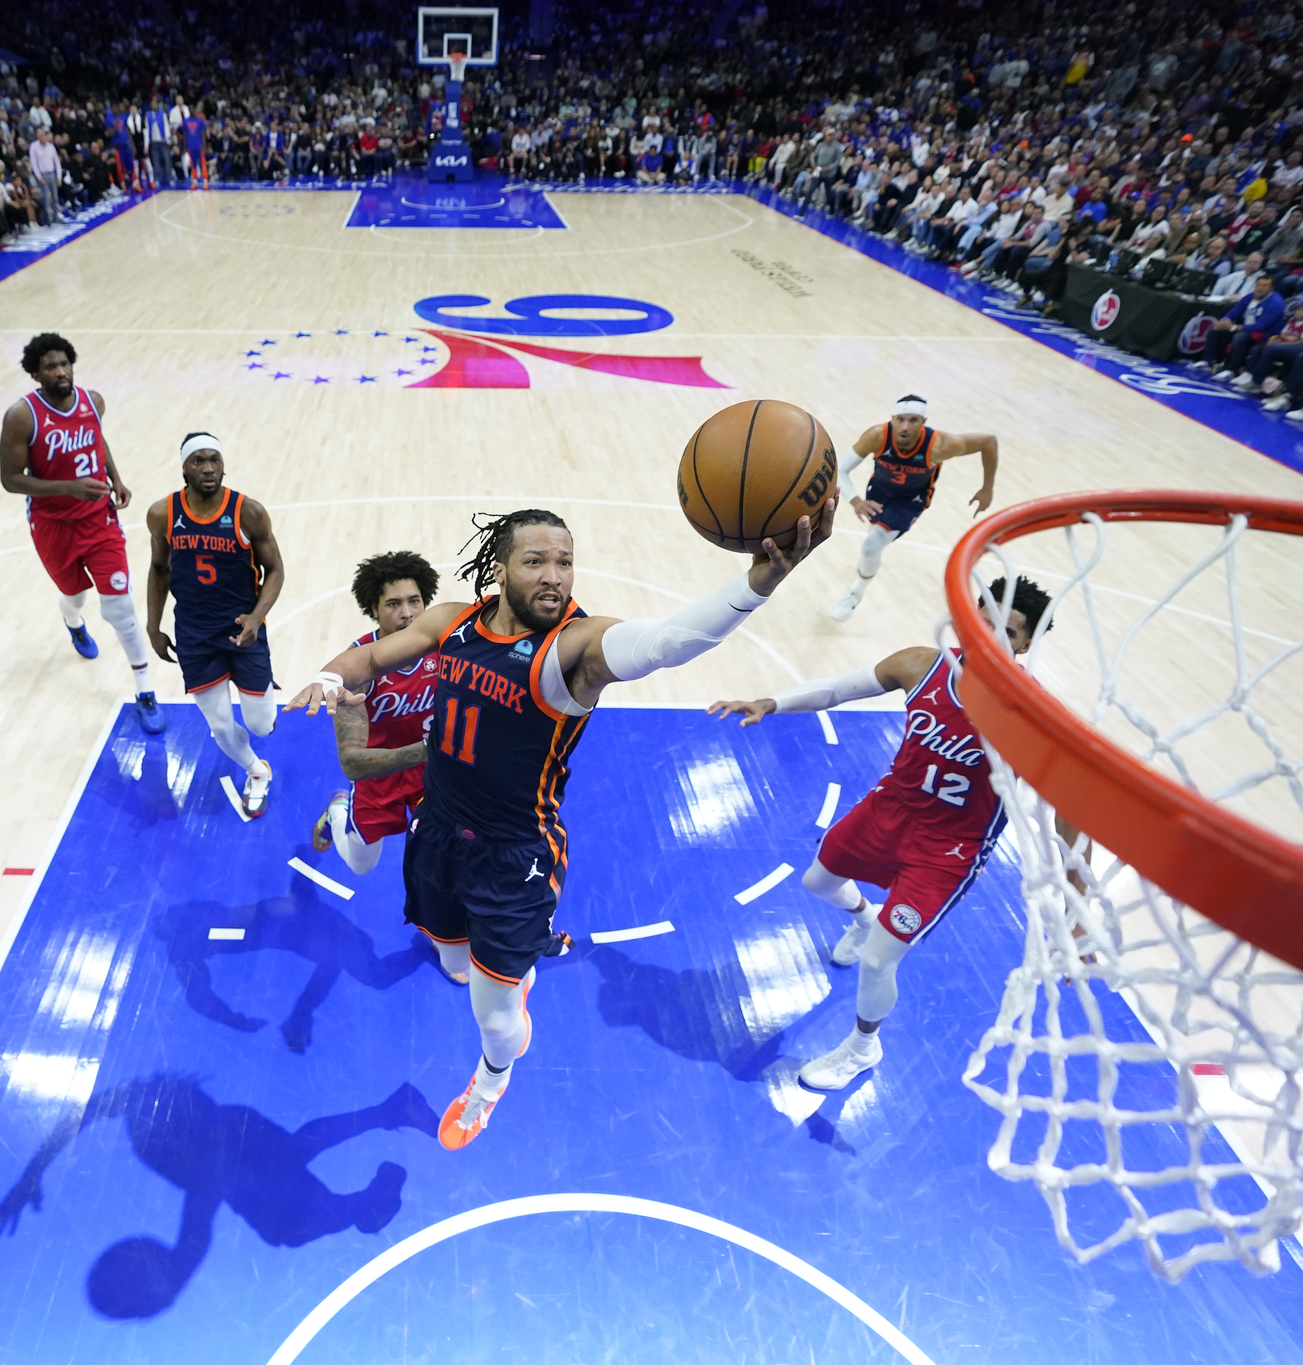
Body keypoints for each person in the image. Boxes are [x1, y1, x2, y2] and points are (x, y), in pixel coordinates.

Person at [286, 500, 836, 1150]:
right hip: (434, 831)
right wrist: (327, 675)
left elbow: (668, 641)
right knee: (453, 958)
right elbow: (370, 659)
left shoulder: (573, 648)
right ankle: (503, 971)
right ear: (499, 568)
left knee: (494, 1018)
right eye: (536, 561)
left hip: (512, 857)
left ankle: (490, 1080)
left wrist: (759, 582)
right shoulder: (452, 621)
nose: (554, 575)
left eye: (566, 562)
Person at [708, 575, 1056, 1089]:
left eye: (1006, 630)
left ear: (1025, 644)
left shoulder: (1032, 712)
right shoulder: (923, 664)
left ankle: (862, 1048)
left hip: (949, 850)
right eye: (983, 616)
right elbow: (836, 690)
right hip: (890, 809)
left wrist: (1075, 887)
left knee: (877, 963)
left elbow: (1065, 795)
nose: (987, 632)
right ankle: (863, 917)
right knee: (817, 884)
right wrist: (771, 702)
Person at [0, 332, 163, 733]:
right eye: (50, 367)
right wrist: (66, 487)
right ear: (35, 373)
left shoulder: (94, 401)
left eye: (65, 364)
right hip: (52, 524)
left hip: (99, 519)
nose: (60, 372)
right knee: (74, 595)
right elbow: (9, 479)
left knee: (119, 609)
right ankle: (72, 622)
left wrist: (115, 478)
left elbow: (96, 438)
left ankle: (145, 690)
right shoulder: (21, 417)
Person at [147, 434, 284, 816]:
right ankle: (256, 772)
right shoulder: (162, 514)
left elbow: (275, 570)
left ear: (223, 465)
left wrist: (257, 617)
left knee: (261, 725)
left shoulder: (248, 512)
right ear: (184, 468)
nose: (208, 468)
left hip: (244, 630)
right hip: (194, 634)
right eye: (198, 461)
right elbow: (158, 569)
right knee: (221, 727)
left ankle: (260, 689)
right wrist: (153, 625)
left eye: (214, 460)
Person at [309, 550, 443, 888]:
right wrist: (431, 747)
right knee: (361, 866)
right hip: (378, 773)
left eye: (415, 601)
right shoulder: (357, 666)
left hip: (434, 774)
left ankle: (444, 933)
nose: (408, 613)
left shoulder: (446, 649)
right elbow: (352, 762)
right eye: (393, 604)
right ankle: (337, 811)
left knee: (446, 857)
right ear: (374, 610)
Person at [828, 395, 999, 622]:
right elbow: (840, 470)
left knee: (871, 547)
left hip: (911, 500)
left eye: (913, 420)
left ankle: (855, 593)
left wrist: (987, 488)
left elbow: (988, 441)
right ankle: (867, 567)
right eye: (900, 419)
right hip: (878, 492)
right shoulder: (877, 436)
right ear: (893, 419)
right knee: (874, 542)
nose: (905, 427)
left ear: (923, 422)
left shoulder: (941, 444)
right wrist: (856, 501)